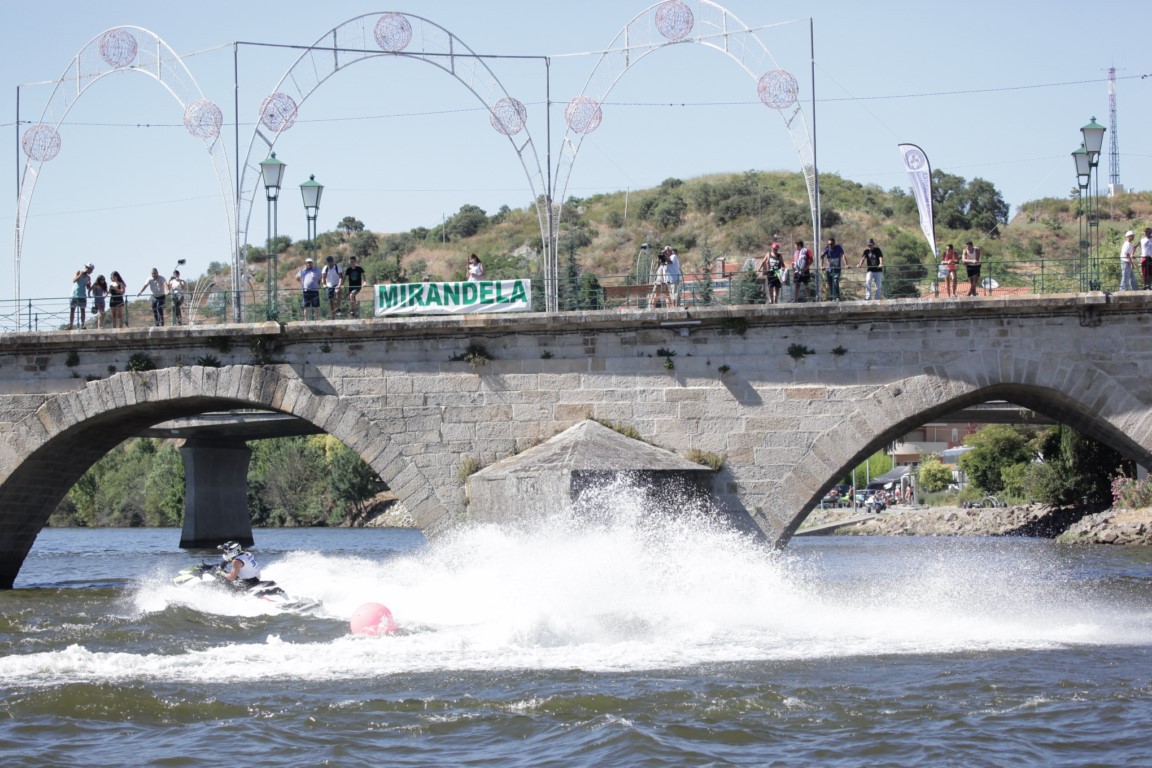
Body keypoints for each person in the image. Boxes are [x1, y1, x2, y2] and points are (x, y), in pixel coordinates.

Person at [69, 263, 94, 330]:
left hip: (82, 295)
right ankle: (71, 326)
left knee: (82, 310)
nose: (92, 271)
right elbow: (73, 280)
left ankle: (82, 325)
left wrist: (89, 285)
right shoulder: (78, 272)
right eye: (91, 270)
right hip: (74, 295)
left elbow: (88, 288)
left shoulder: (88, 277)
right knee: (72, 310)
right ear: (88, 268)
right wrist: (80, 275)